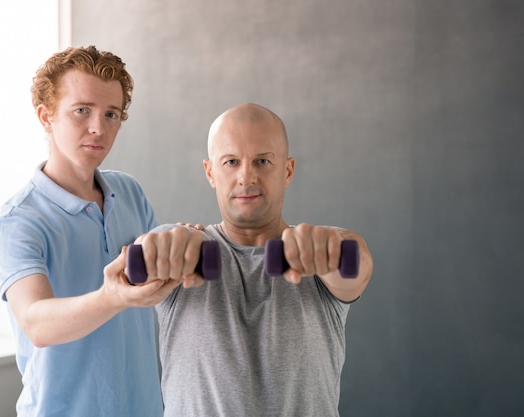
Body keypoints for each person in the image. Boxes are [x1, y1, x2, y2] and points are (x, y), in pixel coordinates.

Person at [130, 103, 374, 417]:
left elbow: (357, 262)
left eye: (262, 161)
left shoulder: (319, 255)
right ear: (210, 172)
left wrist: (335, 248)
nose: (247, 176)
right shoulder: (183, 249)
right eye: (231, 162)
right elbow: (144, 259)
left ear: (287, 171)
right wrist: (162, 248)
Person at [0, 46, 180, 417]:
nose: (99, 128)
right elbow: (37, 323)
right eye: (82, 111)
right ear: (46, 117)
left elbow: (159, 278)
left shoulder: (129, 193)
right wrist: (112, 297)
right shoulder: (17, 220)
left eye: (111, 114)